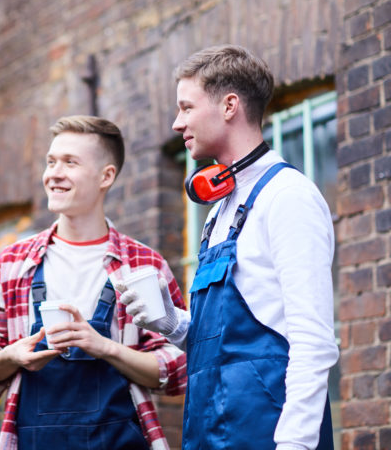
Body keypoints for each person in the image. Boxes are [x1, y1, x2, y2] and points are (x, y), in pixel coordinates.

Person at [121, 45, 338, 450]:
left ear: (229, 106)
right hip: (209, 433)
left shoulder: (288, 197)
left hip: (268, 437)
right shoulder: (220, 210)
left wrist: (295, 445)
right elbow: (226, 346)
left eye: (186, 108)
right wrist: (171, 324)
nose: (176, 123)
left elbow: (313, 342)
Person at [0, 115, 187, 450]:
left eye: (70, 163)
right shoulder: (12, 263)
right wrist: (12, 356)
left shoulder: (143, 265)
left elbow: (177, 371)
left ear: (105, 176)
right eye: (51, 162)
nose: (54, 174)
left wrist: (106, 348)